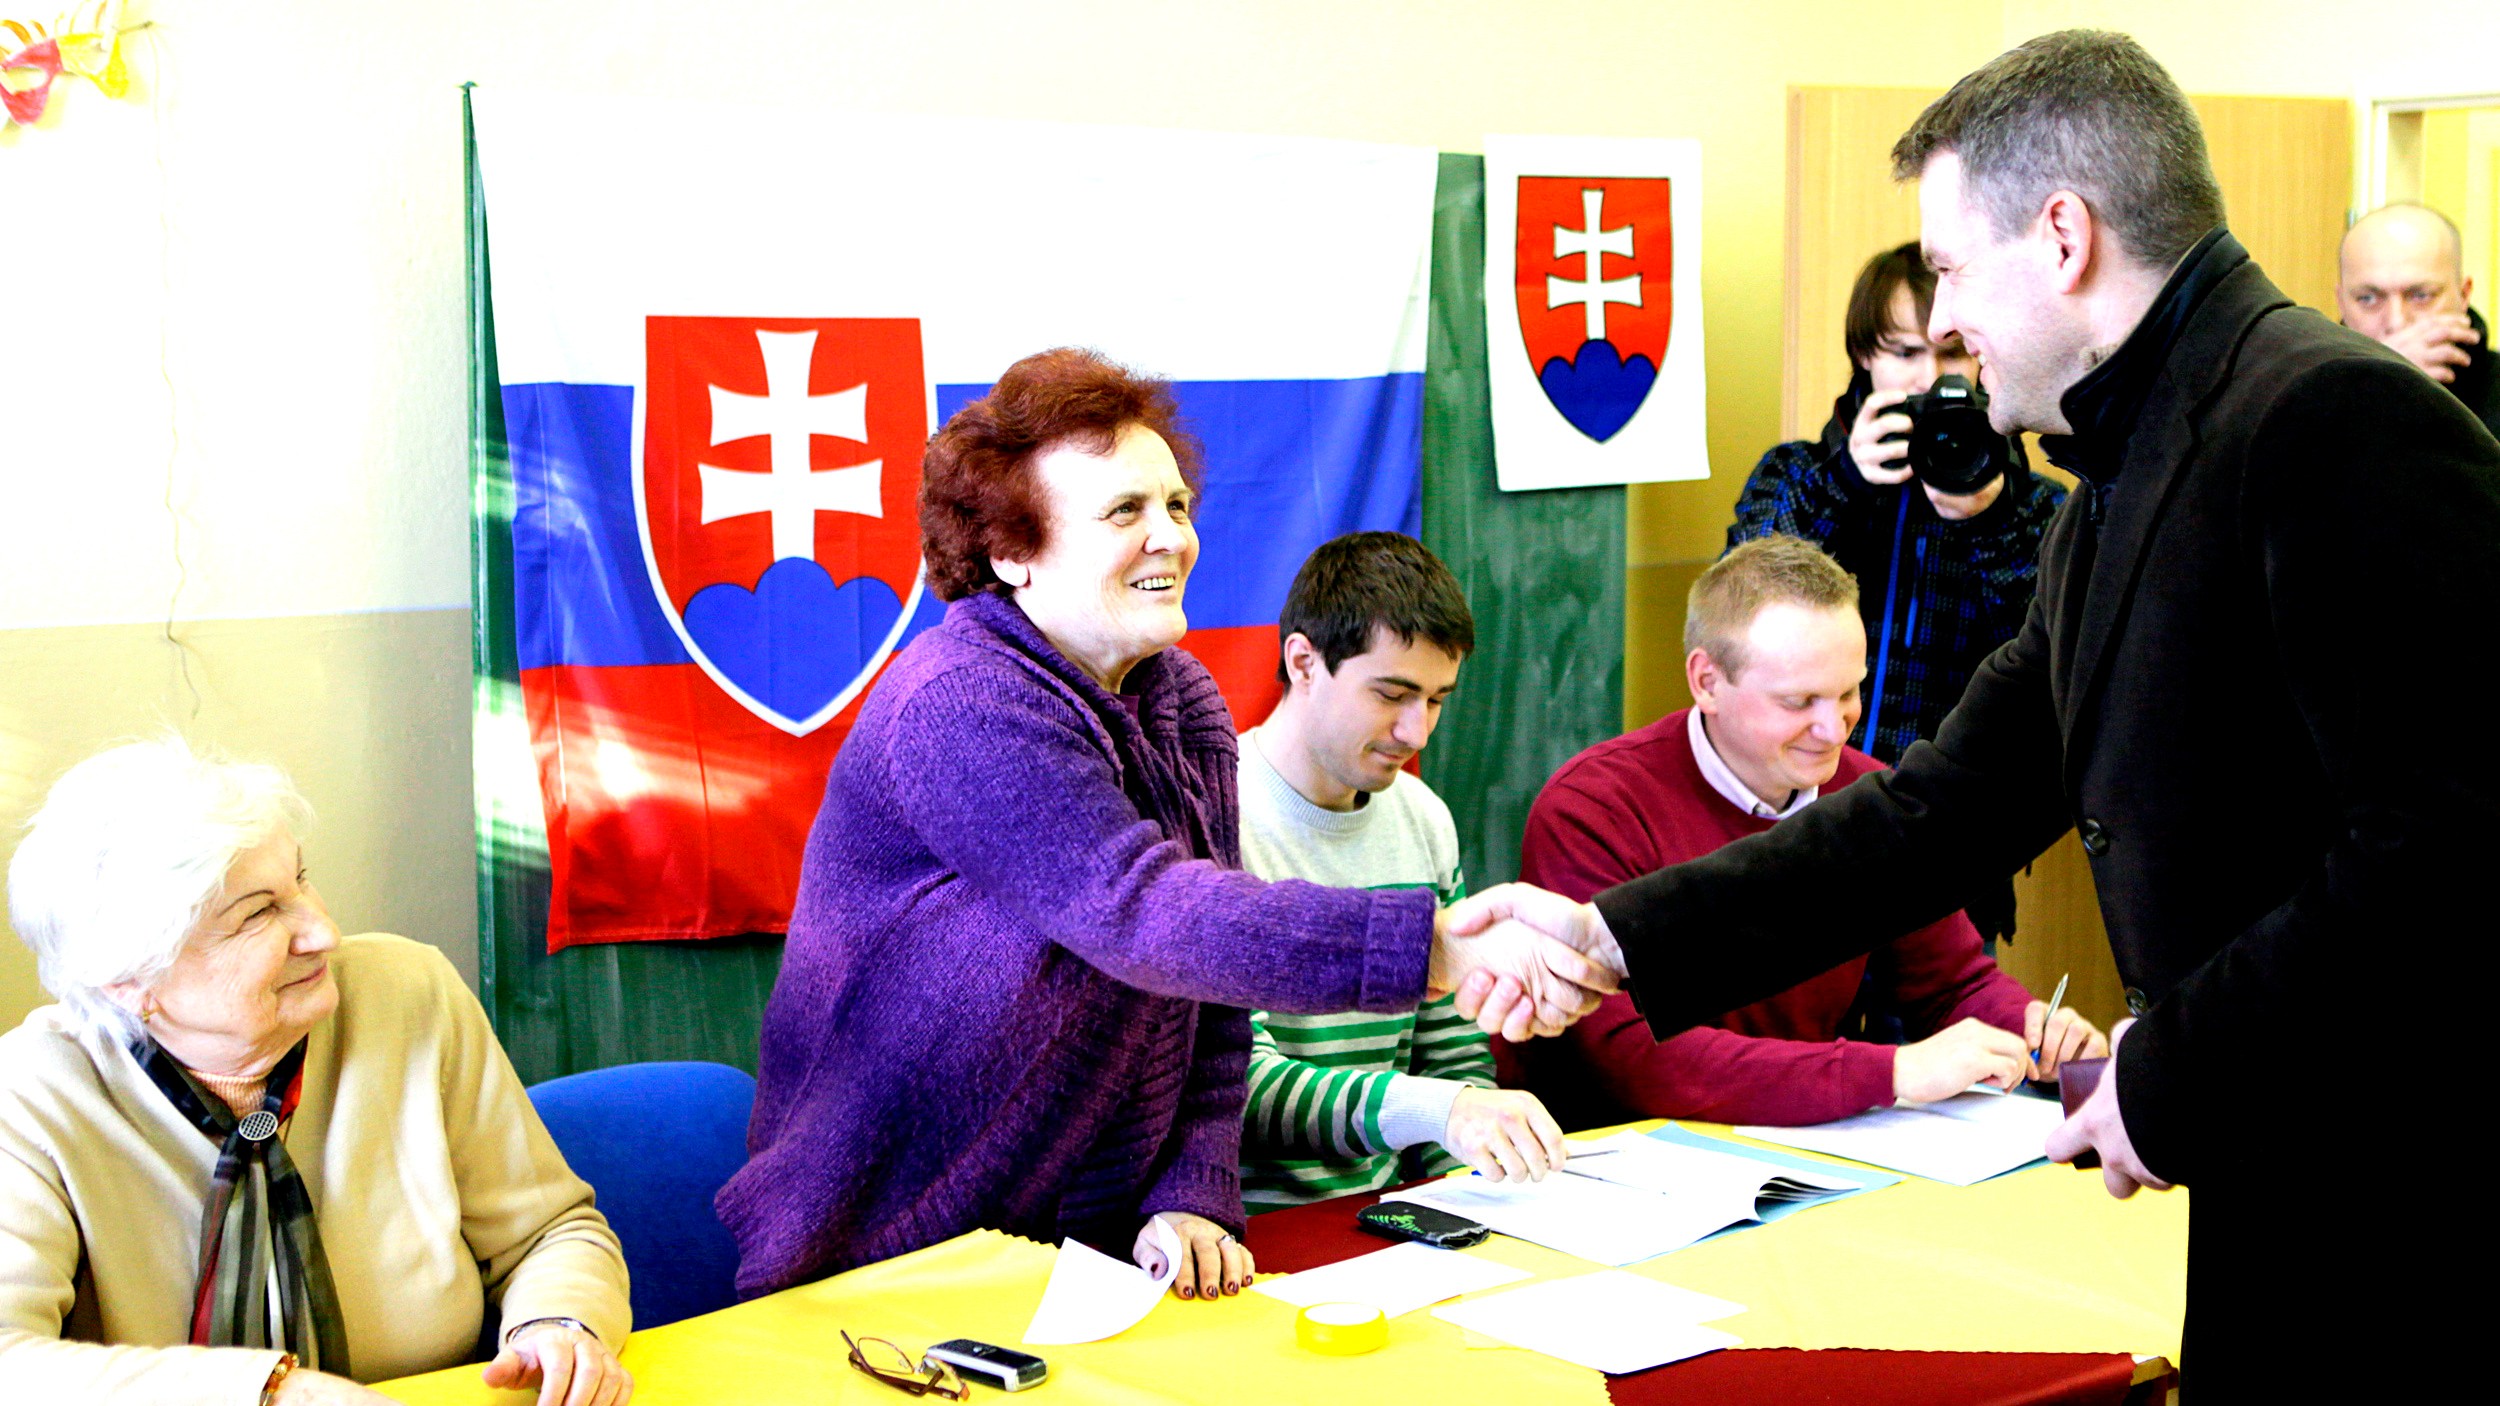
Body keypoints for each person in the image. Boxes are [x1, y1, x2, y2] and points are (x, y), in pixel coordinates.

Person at [1462, 31, 2498, 1394]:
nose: (1944, 323)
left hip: (2419, 1196)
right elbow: (1932, 815)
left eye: (1950, 267)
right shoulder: (2116, 474)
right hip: (2276, 1169)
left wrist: (2170, 1068)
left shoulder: (2337, 418)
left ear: (2063, 235)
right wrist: (1608, 934)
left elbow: (2447, 844)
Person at [716, 349, 1619, 1305]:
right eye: (1124, 512)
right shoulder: (961, 698)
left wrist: (1193, 1193)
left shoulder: (1180, 700)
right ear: (1013, 553)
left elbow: (1210, 998)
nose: (1171, 537)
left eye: (1176, 505)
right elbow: (1143, 914)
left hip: (1083, 1250)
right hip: (886, 1245)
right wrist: (1431, 947)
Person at [1, 738, 633, 1406]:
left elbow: (549, 1234)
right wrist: (271, 1394)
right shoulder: (33, 1091)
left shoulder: (409, 995)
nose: (323, 931)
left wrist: (556, 1322)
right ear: (129, 981)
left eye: (300, 881)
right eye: (258, 913)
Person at [1507, 537, 2103, 1129]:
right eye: (1798, 701)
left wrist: (2030, 1027)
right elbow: (1631, 1059)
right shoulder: (1593, 808)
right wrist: (1888, 1072)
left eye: (1849, 693)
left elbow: (1951, 983)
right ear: (1707, 682)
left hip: (1807, 1145)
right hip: (1615, 1151)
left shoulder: (1870, 795)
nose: (1834, 728)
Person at [1728, 242, 2065, 946]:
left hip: (1953, 843)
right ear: (1864, 358)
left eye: (1951, 353)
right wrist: (1842, 484)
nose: (1929, 379)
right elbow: (1743, 616)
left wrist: (1991, 523)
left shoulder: (2037, 508)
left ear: (1983, 353)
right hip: (1798, 823)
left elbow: (2056, 666)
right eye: (1905, 353)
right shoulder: (1796, 474)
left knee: (1946, 1013)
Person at [1236, 532, 1567, 1208]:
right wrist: (1441, 1111)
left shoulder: (1422, 817)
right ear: (1303, 662)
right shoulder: (1212, 816)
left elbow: (1450, 1049)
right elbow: (1240, 1085)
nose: (1416, 731)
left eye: (1437, 700)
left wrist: (1467, 1177)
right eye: (1392, 694)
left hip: (1390, 1211)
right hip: (1247, 1226)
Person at [2336, 201, 2500, 438]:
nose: (2396, 322)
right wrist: (2376, 385)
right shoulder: (2305, 393)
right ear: (2341, 301)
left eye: (2421, 296)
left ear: (2463, 294)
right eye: (2368, 299)